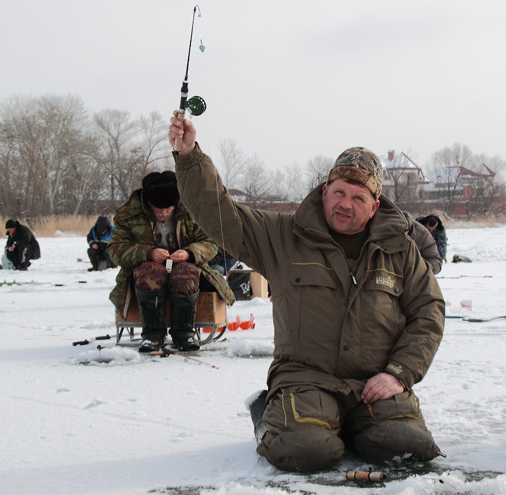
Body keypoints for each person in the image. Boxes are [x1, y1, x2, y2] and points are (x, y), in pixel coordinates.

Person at [169, 113, 445, 472]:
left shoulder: (402, 251)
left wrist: (398, 373)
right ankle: (272, 414)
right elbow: (220, 214)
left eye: (358, 197)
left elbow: (429, 312)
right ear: (324, 192)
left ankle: (349, 426)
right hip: (304, 378)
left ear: (375, 206)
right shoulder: (283, 236)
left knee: (408, 449)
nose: (345, 203)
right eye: (339, 193)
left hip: (373, 381)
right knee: (305, 451)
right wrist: (190, 157)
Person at [107, 170, 235, 353]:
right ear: (148, 203)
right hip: (142, 273)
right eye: (158, 208)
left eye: (169, 208)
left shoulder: (192, 210)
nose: (164, 212)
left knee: (185, 274)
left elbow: (210, 242)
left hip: (186, 268)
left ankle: (184, 334)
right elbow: (116, 249)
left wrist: (190, 253)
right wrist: (148, 253)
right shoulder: (129, 215)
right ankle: (152, 334)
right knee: (151, 273)